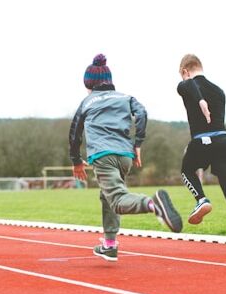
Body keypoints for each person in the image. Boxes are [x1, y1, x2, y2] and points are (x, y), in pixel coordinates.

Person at [69, 53, 183, 262]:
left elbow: (75, 132)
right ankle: (109, 244)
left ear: (89, 84)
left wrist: (76, 160)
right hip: (125, 156)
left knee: (118, 200)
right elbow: (142, 114)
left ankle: (153, 204)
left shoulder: (87, 101)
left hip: (103, 155)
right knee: (107, 196)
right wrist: (138, 144)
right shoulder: (125, 97)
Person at [176, 54, 226, 255]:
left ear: (185, 72)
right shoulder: (219, 91)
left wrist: (200, 99)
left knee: (186, 170)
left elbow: (190, 86)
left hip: (202, 140)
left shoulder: (185, 85)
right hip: (223, 141)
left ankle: (201, 199)